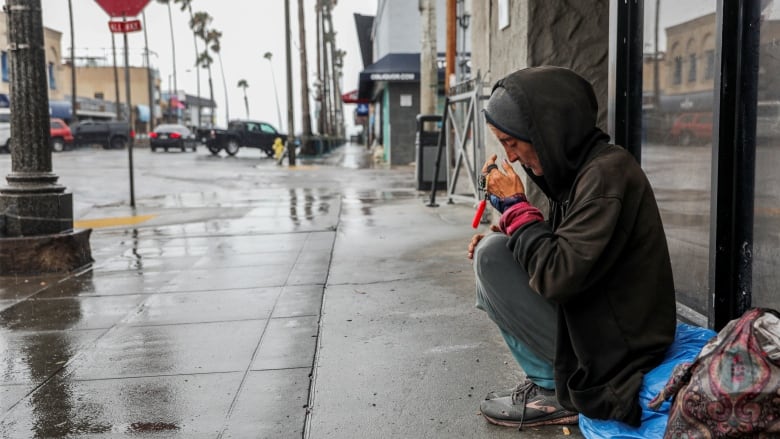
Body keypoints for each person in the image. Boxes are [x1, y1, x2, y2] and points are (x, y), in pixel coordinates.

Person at [467, 66, 677, 430]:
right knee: (497, 250)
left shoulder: (606, 175)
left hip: (624, 343)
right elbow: (576, 250)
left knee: (492, 258)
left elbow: (557, 276)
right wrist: (514, 225)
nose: (511, 158)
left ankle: (555, 391)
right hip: (605, 314)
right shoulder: (583, 171)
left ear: (546, 132)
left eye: (512, 142)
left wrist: (518, 209)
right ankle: (549, 379)